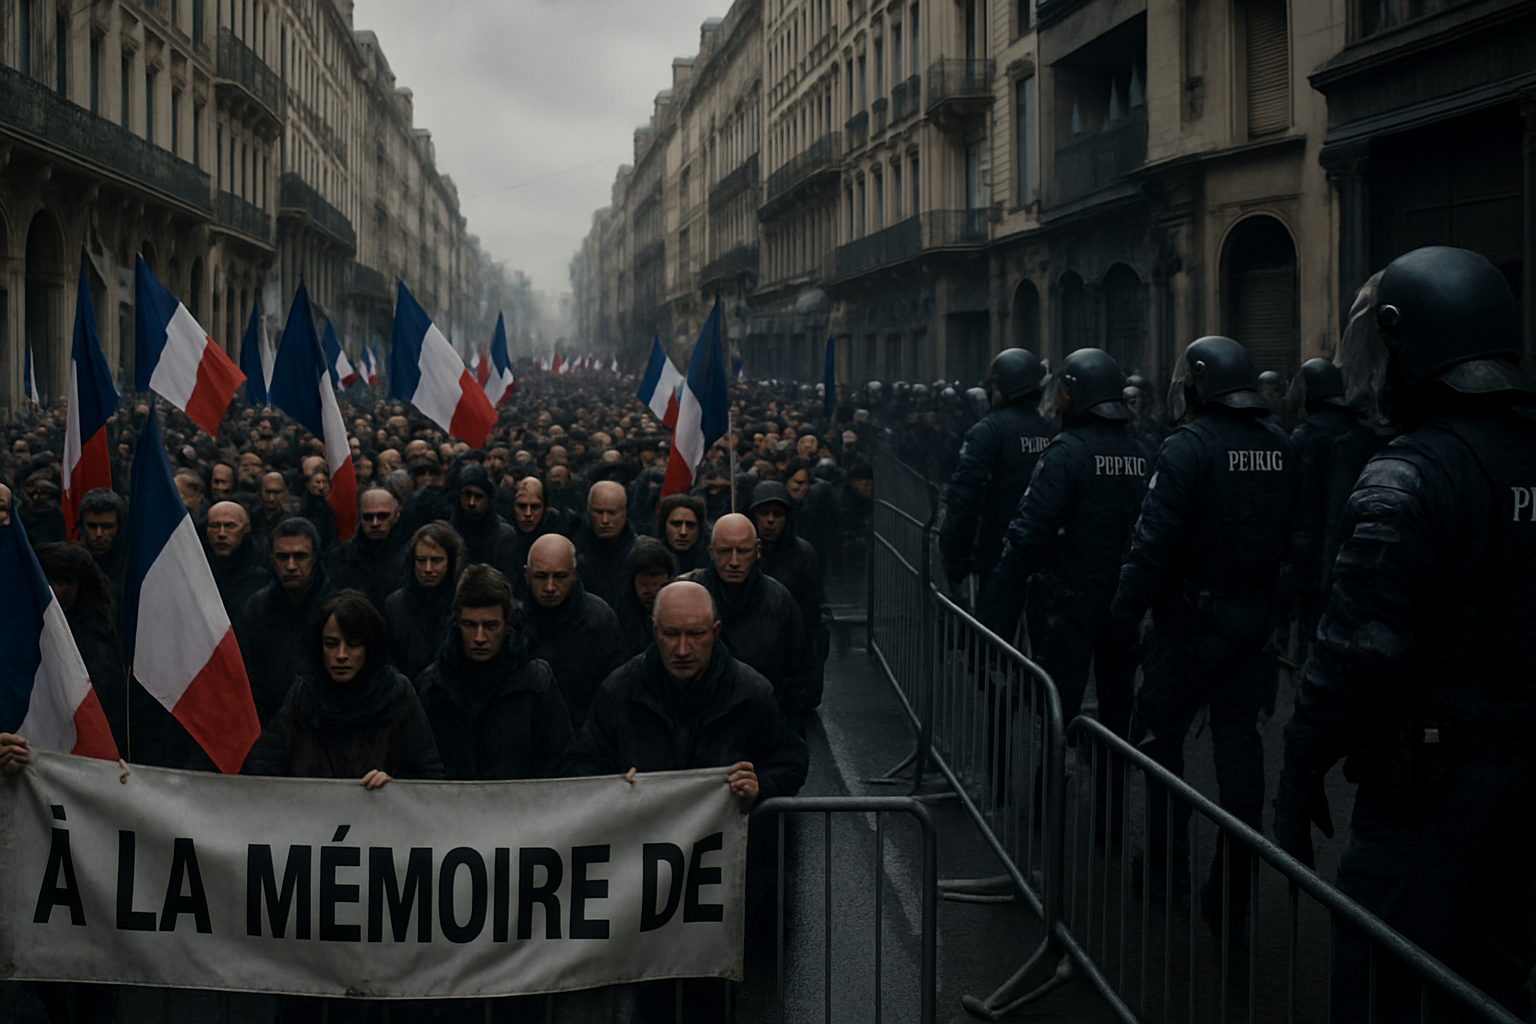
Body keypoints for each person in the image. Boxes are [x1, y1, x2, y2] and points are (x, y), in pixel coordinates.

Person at [1274, 247, 1536, 1022]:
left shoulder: (1410, 474)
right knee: (1490, 988)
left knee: (1378, 987)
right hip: (1520, 790)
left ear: (1406, 344)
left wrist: (1299, 767)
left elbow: (1359, 651)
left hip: (1421, 799)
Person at [1110, 335, 1295, 927]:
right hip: (1252, 628)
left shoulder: (1187, 447)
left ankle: (1167, 870)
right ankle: (1234, 889)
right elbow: (1296, 540)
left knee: (1161, 746)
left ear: (1197, 384)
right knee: (1240, 751)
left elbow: (1152, 542)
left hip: (1188, 629)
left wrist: (1123, 613)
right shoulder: (1281, 447)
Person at [980, 349, 1149, 735]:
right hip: (1123, 600)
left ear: (1074, 394)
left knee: (1057, 704)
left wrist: (997, 613)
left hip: (1070, 600)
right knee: (1117, 704)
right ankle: (1112, 787)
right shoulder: (1140, 452)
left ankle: (1056, 779)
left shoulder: (1066, 452)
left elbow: (1028, 534)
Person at [562, 579, 809, 801]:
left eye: (695, 635)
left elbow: (790, 762)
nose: (682, 650)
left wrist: (760, 786)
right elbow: (585, 764)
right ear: (655, 630)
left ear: (715, 632)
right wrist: (612, 784)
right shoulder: (619, 692)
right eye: (671, 634)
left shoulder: (751, 694)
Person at [242, 589, 443, 785]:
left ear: (369, 648)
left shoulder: (397, 696)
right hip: (312, 815)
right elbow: (260, 769)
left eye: (353, 644)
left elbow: (429, 776)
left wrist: (395, 786)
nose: (341, 655)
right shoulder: (302, 698)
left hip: (377, 816)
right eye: (331, 643)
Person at [416, 565, 573, 780]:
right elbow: (417, 763)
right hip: (452, 808)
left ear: (507, 622)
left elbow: (560, 760)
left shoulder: (536, 682)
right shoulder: (434, 686)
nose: (480, 637)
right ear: (457, 622)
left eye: (490, 625)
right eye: (470, 625)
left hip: (521, 808)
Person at [681, 513, 819, 732]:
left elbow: (800, 673)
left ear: (757, 551)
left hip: (763, 724)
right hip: (702, 726)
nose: (734, 562)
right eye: (725, 551)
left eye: (743, 551)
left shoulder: (780, 601)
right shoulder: (691, 597)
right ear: (711, 551)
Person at [940, 349, 1055, 596]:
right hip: (1044, 551)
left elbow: (965, 498)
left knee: (991, 628)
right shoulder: (1051, 431)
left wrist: (954, 553)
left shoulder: (988, 431)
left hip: (998, 548)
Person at [523, 534, 627, 728]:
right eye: (541, 576)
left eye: (560, 576)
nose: (550, 587)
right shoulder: (515, 622)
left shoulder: (600, 621)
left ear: (574, 573)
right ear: (527, 574)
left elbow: (613, 695)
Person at [238, 517, 335, 725]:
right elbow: (250, 674)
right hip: (271, 721)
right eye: (283, 557)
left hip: (325, 722)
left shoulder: (336, 608)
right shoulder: (257, 607)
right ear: (272, 559)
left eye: (300, 556)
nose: (290, 566)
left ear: (315, 558)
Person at [749, 482, 828, 665]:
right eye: (763, 513)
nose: (770, 520)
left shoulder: (803, 553)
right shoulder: (742, 551)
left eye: (777, 514)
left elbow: (812, 605)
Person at [384, 522, 465, 682]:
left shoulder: (463, 604)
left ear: (452, 563)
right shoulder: (395, 605)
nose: (427, 569)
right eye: (421, 560)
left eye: (436, 560)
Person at [327, 486, 409, 611]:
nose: (375, 523)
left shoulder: (410, 554)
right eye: (368, 517)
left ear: (397, 515)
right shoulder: (342, 556)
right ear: (360, 516)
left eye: (383, 516)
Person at [204, 499, 271, 623]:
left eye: (230, 526)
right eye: (214, 526)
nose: (221, 533)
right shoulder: (198, 564)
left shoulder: (262, 567)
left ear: (246, 528)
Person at [573, 479, 637, 607]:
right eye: (599, 512)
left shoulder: (639, 554)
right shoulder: (574, 552)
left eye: (612, 513)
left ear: (624, 512)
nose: (605, 520)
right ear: (589, 512)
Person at [615, 538, 677, 658]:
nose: (650, 591)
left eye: (656, 584)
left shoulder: (679, 610)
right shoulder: (620, 614)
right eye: (643, 584)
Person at [78, 487, 130, 609]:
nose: (99, 534)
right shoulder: (75, 564)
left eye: (107, 526)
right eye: (92, 526)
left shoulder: (133, 563)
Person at [655, 492, 711, 572]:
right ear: (664, 526)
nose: (683, 532)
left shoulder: (712, 563)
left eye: (690, 525)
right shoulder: (650, 561)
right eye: (676, 524)